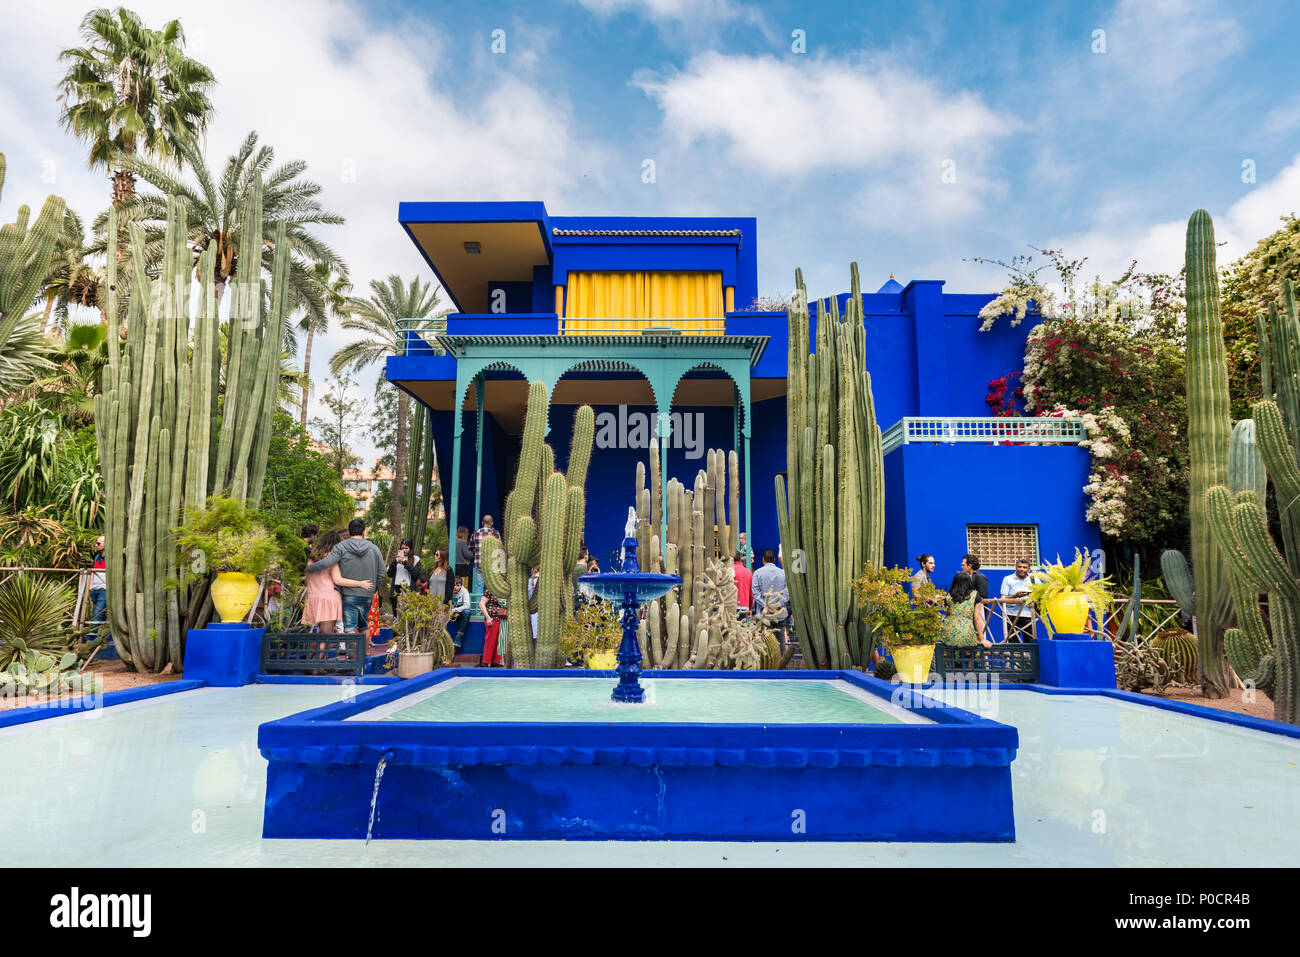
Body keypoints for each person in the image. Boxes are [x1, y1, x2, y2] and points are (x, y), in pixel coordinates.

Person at [305, 518, 385, 634]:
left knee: (350, 628)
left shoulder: (341, 547)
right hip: (367, 592)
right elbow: (381, 571)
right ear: (364, 532)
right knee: (364, 626)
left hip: (349, 593)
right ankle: (365, 652)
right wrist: (374, 588)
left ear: (349, 531)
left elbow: (327, 563)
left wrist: (308, 568)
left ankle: (353, 653)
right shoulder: (374, 548)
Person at [940, 572, 993, 648]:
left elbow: (948, 612)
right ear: (969, 582)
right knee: (971, 652)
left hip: (948, 632)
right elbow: (976, 619)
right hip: (966, 632)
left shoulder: (948, 596)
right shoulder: (975, 595)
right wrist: (982, 639)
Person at [751, 549, 789, 642]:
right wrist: (778, 606)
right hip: (779, 614)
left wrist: (766, 607)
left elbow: (755, 592)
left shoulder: (757, 573)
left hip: (763, 614)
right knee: (781, 641)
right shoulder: (783, 573)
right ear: (774, 559)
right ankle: (783, 656)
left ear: (763, 559)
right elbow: (787, 592)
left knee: (763, 643)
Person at [999, 558, 1038, 642]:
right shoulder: (1007, 579)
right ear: (1015, 567)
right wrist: (1015, 596)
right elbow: (1003, 599)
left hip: (1029, 614)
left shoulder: (1034, 580)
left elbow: (1042, 595)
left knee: (1030, 642)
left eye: (1024, 567)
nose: (1021, 569)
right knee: (1014, 644)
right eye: (1019, 567)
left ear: (1029, 569)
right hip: (1011, 615)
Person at [387, 538, 423, 615]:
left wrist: (405, 562)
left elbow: (416, 575)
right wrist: (395, 562)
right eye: (402, 548)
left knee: (407, 615)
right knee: (396, 615)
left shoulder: (416, 559)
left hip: (408, 589)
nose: (404, 550)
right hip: (396, 588)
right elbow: (389, 574)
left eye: (406, 548)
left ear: (411, 548)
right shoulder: (396, 559)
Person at [469, 515, 501, 596]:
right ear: (492, 523)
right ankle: (490, 607)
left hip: (479, 563)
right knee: (492, 587)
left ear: (482, 523)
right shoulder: (495, 533)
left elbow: (470, 547)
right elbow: (500, 548)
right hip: (491, 565)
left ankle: (478, 608)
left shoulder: (475, 533)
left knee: (479, 586)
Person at [478, 587, 506, 667]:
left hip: (502, 618)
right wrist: (488, 617)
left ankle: (496, 662)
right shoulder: (490, 589)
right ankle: (486, 661)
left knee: (500, 641)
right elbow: (481, 604)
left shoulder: (505, 590)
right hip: (492, 618)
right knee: (490, 640)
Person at [87, 535, 108, 638]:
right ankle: (102, 636)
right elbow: (92, 572)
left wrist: (107, 586)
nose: (96, 545)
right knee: (100, 613)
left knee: (98, 612)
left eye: (99, 543)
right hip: (94, 589)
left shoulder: (110, 558)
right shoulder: (96, 557)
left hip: (104, 589)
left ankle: (91, 636)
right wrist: (90, 586)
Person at [448, 576, 472, 648]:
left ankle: (459, 637)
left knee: (467, 612)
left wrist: (454, 610)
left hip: (459, 614)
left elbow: (467, 605)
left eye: (457, 585)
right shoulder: (449, 590)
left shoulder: (464, 591)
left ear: (461, 585)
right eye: (454, 585)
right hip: (449, 614)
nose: (455, 587)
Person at [733, 551, 753, 617]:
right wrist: (750, 608)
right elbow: (751, 593)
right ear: (740, 558)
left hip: (731, 605)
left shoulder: (729, 570)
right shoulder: (748, 572)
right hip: (744, 606)